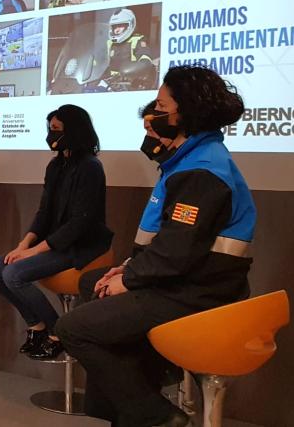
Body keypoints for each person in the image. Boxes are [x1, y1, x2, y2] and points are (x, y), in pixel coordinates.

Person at [55, 65, 256, 426]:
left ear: (189, 111)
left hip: (197, 293)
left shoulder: (202, 171)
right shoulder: (188, 161)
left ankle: (157, 416)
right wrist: (128, 269)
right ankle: (127, 403)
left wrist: (130, 279)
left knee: (73, 328)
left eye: (162, 107)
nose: (153, 113)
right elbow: (168, 243)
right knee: (93, 284)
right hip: (184, 281)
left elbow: (177, 252)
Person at [0, 105, 112, 360]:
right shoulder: (56, 166)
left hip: (80, 245)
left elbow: (79, 223)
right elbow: (44, 213)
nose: (51, 135)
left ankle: (60, 331)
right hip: (53, 242)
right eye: (50, 129)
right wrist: (24, 245)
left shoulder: (90, 167)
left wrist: (35, 251)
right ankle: (37, 325)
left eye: (56, 130)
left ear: (74, 131)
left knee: (13, 274)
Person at [104, 8, 157, 89]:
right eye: (115, 27)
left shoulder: (138, 40)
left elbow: (145, 60)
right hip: (110, 86)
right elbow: (100, 63)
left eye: (120, 26)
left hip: (130, 85)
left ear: (130, 25)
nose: (117, 30)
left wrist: (131, 71)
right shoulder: (110, 44)